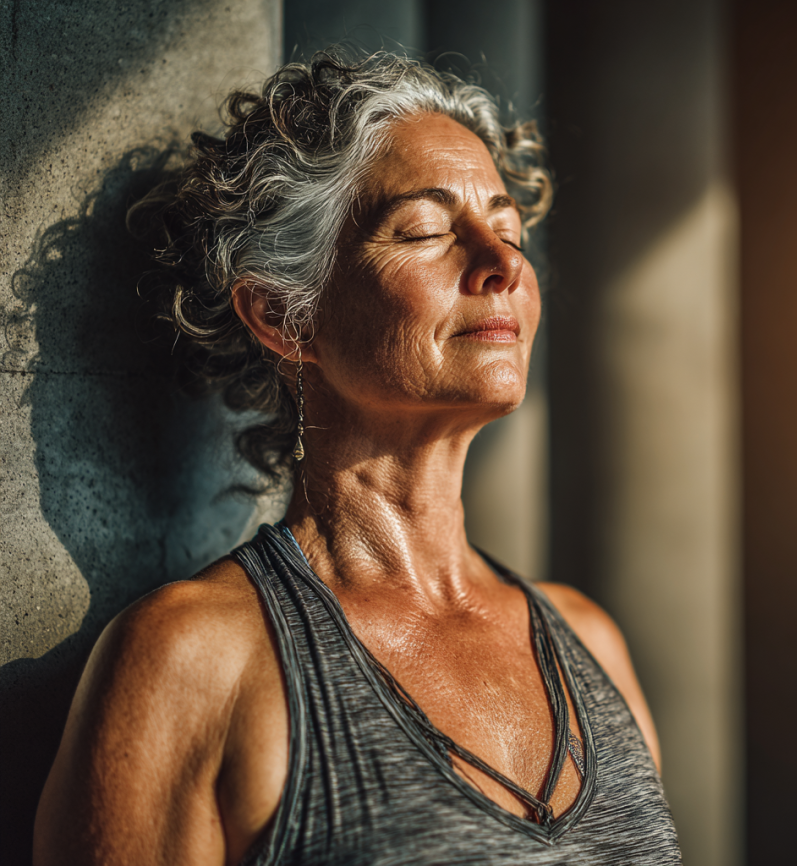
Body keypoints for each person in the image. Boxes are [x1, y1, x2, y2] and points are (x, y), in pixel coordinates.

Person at [33, 49, 681, 865]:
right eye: (426, 230)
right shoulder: (197, 659)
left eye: (509, 229)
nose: (504, 263)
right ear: (283, 316)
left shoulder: (590, 643)